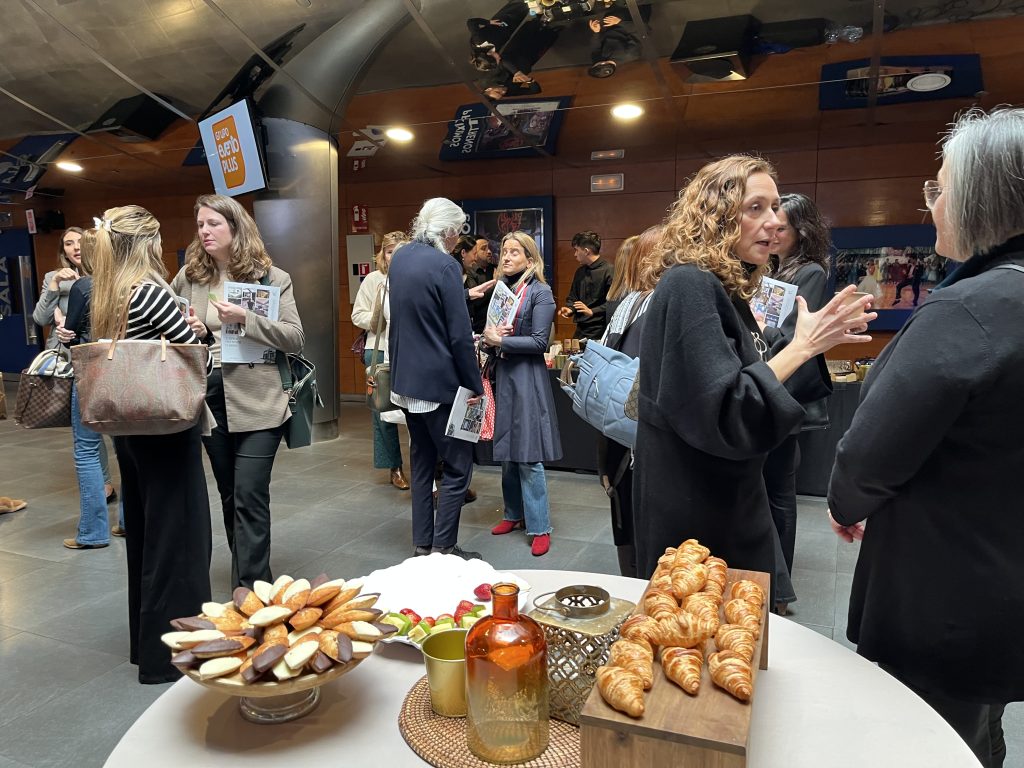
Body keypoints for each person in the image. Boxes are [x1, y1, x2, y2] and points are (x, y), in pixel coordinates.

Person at [828, 108, 1024, 768]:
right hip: (1002, 582)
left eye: (939, 187)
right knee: (977, 738)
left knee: (925, 743)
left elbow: (869, 454)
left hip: (944, 594)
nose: (931, 204)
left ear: (981, 198)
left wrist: (847, 502)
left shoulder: (970, 308)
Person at [632, 155, 875, 582]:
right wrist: (802, 346)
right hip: (696, 503)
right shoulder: (690, 284)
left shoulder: (722, 287)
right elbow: (723, 409)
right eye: (755, 208)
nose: (775, 222)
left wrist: (808, 342)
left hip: (723, 492)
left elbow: (752, 370)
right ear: (716, 217)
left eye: (775, 207)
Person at [88, 204, 213, 684]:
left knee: (145, 537)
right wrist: (202, 333)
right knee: (178, 543)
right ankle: (174, 657)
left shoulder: (109, 293)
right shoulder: (150, 291)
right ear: (146, 243)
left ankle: (148, 648)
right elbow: (192, 354)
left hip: (130, 431)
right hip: (166, 429)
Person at [171, 194, 305, 590]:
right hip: (210, 398)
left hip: (260, 398)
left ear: (235, 227)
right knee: (230, 494)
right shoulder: (189, 277)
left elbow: (294, 337)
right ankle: (246, 580)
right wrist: (195, 332)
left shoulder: (271, 278)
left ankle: (252, 588)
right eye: (200, 224)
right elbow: (171, 326)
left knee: (250, 493)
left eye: (213, 223)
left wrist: (248, 318)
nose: (205, 231)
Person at [388, 198, 484, 560]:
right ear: (448, 230)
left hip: (405, 381)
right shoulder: (446, 265)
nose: (458, 240)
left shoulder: (401, 257)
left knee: (422, 463)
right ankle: (444, 546)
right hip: (439, 384)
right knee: (458, 466)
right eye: (458, 232)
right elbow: (459, 336)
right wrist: (474, 384)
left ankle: (422, 544)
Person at [762, 193, 833, 613]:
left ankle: (779, 591)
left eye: (781, 227)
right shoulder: (771, 268)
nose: (772, 232)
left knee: (779, 491)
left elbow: (792, 336)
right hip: (767, 387)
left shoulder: (810, 272)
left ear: (800, 231)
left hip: (785, 391)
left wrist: (757, 326)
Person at [482, 232, 560, 557]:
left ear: (530, 258)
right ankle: (513, 513)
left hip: (527, 378)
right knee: (507, 452)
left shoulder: (541, 292)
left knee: (528, 454)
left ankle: (540, 526)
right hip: (504, 376)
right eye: (505, 251)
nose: (507, 257)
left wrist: (501, 341)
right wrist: (488, 338)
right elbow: (490, 334)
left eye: (515, 252)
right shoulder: (502, 289)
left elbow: (540, 342)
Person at [35, 226, 117, 504]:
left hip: (102, 357)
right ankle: (104, 484)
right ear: (64, 250)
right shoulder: (53, 277)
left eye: (80, 242)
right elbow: (41, 318)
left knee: (115, 426)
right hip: (67, 360)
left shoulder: (107, 274)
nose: (75, 247)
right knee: (86, 428)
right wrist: (55, 285)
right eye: (68, 243)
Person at [597, 226, 663, 576]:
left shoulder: (627, 305)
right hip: (642, 440)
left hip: (615, 437)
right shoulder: (656, 307)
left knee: (627, 526)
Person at [55, 229, 118, 549]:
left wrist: (63, 327)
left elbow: (70, 332)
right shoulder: (125, 283)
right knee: (126, 448)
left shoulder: (84, 285)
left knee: (86, 449)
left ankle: (93, 532)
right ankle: (129, 522)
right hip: (124, 372)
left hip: (90, 371)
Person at [351, 231, 410, 491]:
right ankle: (393, 467)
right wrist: (377, 318)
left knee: (418, 411)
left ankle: (432, 466)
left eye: (399, 251)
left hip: (410, 352)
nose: (393, 256)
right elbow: (357, 315)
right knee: (382, 412)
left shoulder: (414, 278)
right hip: (380, 350)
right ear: (382, 255)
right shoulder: (374, 280)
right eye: (389, 251)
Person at [558, 230, 614, 340]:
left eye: (576, 250)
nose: (575, 254)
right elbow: (573, 297)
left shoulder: (610, 271)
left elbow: (613, 303)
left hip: (601, 330)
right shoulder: (580, 271)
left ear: (586, 251)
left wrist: (592, 311)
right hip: (581, 329)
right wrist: (570, 309)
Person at [464, 235, 496, 334]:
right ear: (475, 253)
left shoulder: (495, 268)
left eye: (489, 248)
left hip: (496, 326)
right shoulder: (468, 272)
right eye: (483, 249)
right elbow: (476, 299)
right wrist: (496, 284)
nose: (489, 251)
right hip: (478, 328)